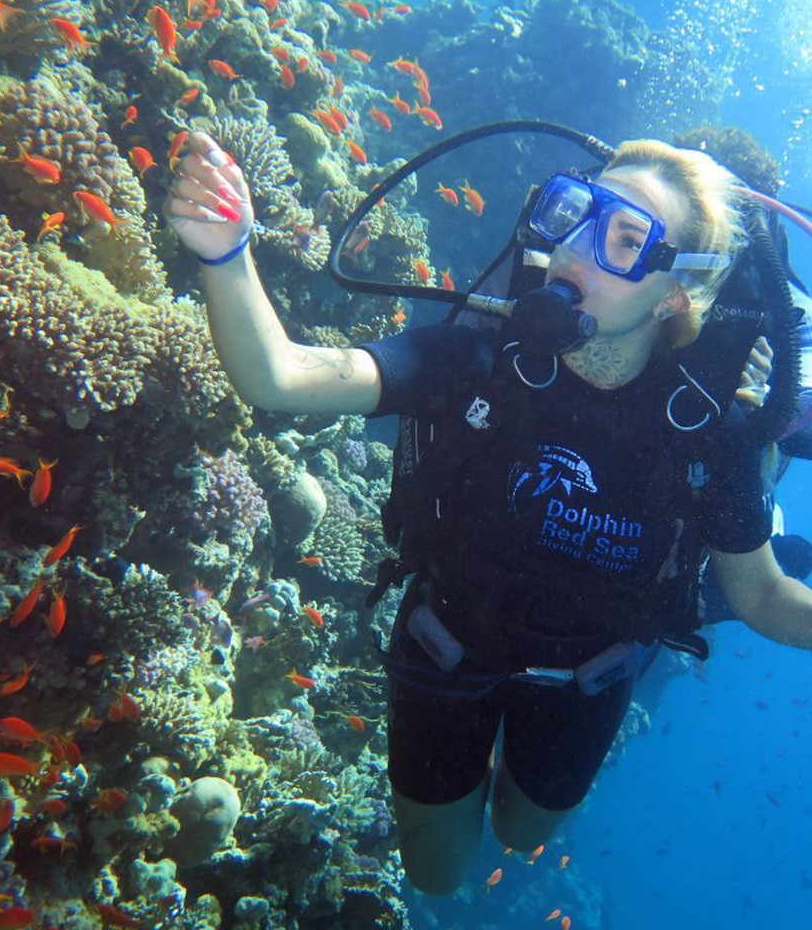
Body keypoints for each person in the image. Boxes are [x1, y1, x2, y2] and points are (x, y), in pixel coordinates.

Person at [163, 132, 812, 896]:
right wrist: (224, 254)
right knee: (436, 877)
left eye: (626, 240)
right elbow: (281, 376)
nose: (577, 247)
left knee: (521, 831)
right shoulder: (475, 362)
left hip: (587, 679)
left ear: (674, 293)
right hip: (447, 652)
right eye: (576, 213)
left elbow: (765, 596)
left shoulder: (706, 432)